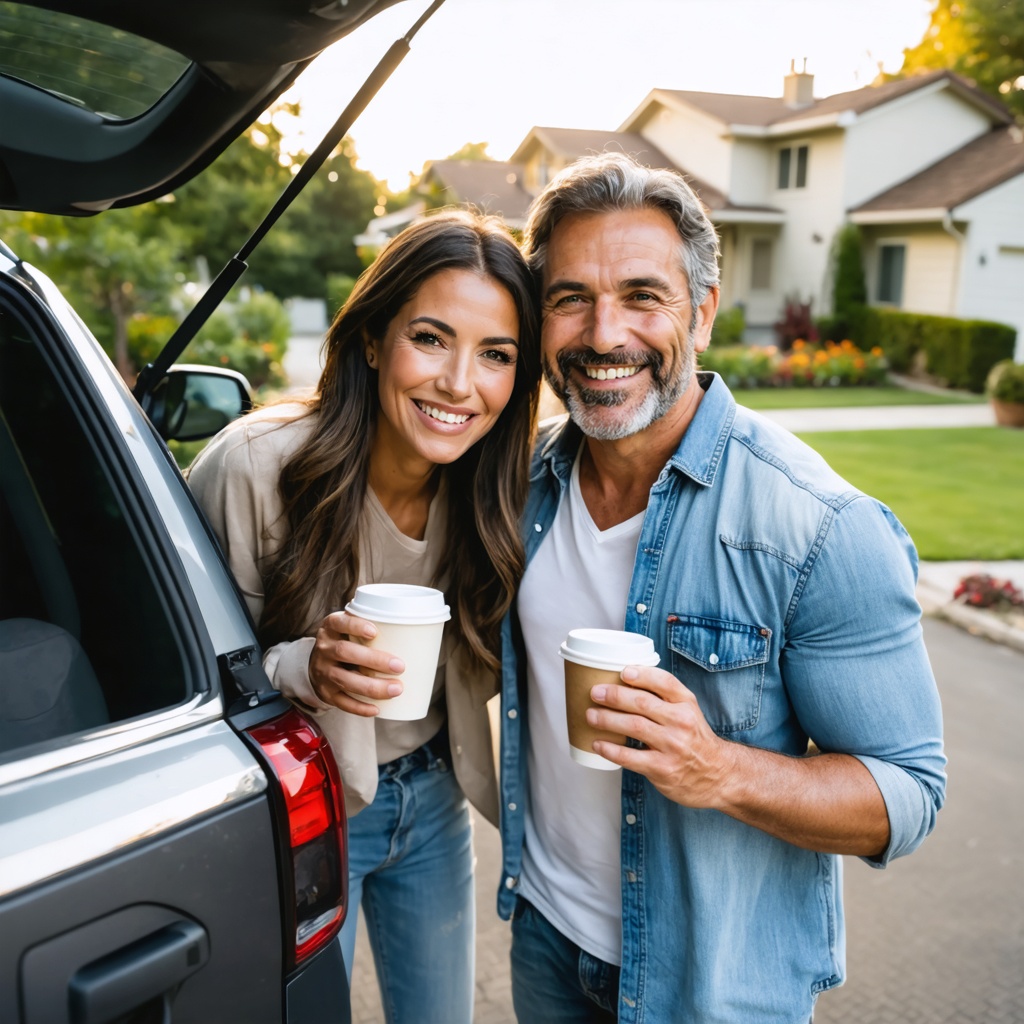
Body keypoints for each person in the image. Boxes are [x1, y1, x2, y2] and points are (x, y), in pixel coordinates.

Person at [496, 152, 946, 1024]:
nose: (603, 333)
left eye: (641, 295)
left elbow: (907, 795)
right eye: (570, 298)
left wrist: (718, 770)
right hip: (546, 942)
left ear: (700, 312)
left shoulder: (819, 527)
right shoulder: (525, 491)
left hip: (709, 988)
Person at [187, 209, 540, 1024]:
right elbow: (187, 677)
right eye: (431, 338)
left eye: (496, 355)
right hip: (305, 811)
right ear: (374, 339)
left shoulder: (497, 493)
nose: (459, 383)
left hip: (434, 801)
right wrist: (299, 668)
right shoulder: (254, 470)